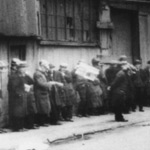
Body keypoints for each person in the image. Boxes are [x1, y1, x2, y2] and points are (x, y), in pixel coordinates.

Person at [34, 60, 63, 126]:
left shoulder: (42, 73)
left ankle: (45, 121)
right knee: (41, 108)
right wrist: (51, 83)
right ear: (42, 66)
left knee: (45, 107)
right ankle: (41, 122)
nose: (46, 69)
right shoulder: (38, 74)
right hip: (40, 93)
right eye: (45, 67)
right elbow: (41, 84)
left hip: (44, 93)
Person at [8, 61, 29, 131]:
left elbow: (30, 82)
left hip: (21, 96)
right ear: (19, 69)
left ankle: (21, 127)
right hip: (16, 97)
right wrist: (19, 94)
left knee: (21, 112)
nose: (25, 69)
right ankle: (17, 127)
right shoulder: (14, 76)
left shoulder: (21, 75)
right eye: (23, 68)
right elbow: (14, 87)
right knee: (17, 112)